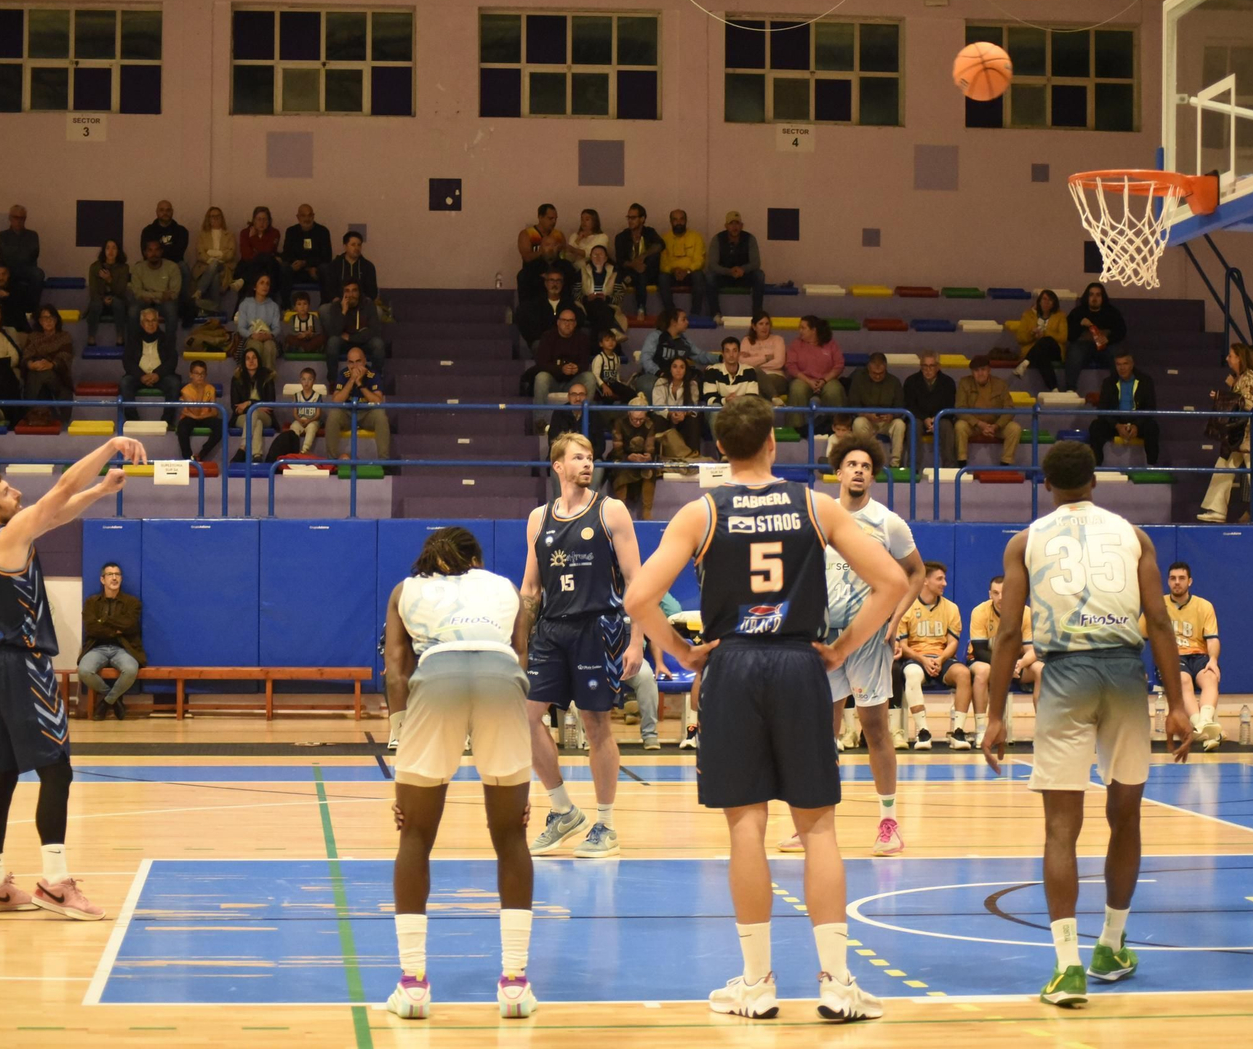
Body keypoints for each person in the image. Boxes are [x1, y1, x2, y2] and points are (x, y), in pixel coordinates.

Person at [624, 394, 905, 1021]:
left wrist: (684, 653)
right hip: (800, 664)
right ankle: (836, 983)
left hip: (734, 666)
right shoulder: (816, 504)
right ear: (774, 443)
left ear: (720, 451)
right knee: (819, 828)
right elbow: (892, 581)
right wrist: (842, 648)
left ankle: (758, 984)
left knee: (745, 826)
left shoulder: (701, 512)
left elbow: (640, 595)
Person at [980, 440, 1190, 1007]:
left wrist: (996, 714)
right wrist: (1177, 703)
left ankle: (1068, 966)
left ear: (1045, 484)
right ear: (1095, 480)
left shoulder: (1027, 541)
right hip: (1124, 673)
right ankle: (1112, 945)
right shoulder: (1133, 535)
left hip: (1065, 676)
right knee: (1125, 817)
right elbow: (1162, 624)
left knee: (1060, 829)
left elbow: (1005, 636)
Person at [0, 435, 149, 920]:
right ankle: (56, 883)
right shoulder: (8, 535)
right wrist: (109, 446)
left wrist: (102, 491)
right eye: (4, 492)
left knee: (1, 775)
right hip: (24, 666)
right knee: (56, 770)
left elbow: (58, 511)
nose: (15, 494)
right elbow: (60, 489)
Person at [382, 527, 539, 1020]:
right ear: (476, 559)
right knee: (512, 834)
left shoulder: (406, 590)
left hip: (438, 677)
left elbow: (394, 669)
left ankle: (412, 986)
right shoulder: (505, 587)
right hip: (500, 677)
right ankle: (514, 985)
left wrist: (401, 730)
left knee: (415, 834)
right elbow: (521, 655)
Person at [783, 436, 923, 857]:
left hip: (866, 638)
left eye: (866, 464)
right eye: (851, 464)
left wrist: (895, 619)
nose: (859, 470)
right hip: (822, 638)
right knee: (819, 732)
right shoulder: (817, 515)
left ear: (872, 474)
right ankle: (815, 823)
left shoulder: (888, 523)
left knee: (875, 728)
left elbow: (914, 573)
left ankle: (888, 823)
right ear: (838, 472)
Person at [520, 432, 646, 859]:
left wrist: (637, 641)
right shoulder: (538, 518)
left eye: (591, 457)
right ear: (558, 466)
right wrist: (519, 644)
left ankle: (606, 823)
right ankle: (562, 811)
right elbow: (531, 587)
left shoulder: (611, 511)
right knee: (525, 717)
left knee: (596, 727)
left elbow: (637, 582)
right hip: (551, 630)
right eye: (578, 457)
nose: (588, 464)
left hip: (598, 627)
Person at [893, 561, 971, 749]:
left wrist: (940, 659)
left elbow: (953, 643)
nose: (944, 583)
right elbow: (902, 645)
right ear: (925, 581)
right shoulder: (907, 606)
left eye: (944, 579)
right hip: (915, 658)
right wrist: (922, 659)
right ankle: (923, 732)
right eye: (940, 579)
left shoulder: (951, 608)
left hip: (941, 658)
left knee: (964, 674)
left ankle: (958, 732)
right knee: (911, 674)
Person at [1198, 343, 1253, 523]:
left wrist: (1222, 397)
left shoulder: (1248, 377)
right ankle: (1218, 509)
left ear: (1239, 358)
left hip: (1249, 434)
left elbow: (1247, 403)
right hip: (1240, 434)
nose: (1228, 358)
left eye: (1231, 355)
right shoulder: (1241, 377)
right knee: (1225, 466)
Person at [1153, 562, 1222, 749]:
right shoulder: (1158, 604)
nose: (1177, 582)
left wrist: (1213, 660)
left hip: (1198, 655)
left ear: (1189, 581)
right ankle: (1204, 728)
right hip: (1171, 658)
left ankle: (1204, 724)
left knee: (1210, 677)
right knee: (1182, 680)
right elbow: (1139, 632)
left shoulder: (1204, 606)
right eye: (1173, 578)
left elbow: (1213, 640)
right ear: (1168, 581)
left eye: (1181, 578)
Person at [968, 575, 1043, 744]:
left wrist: (1020, 664)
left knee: (1041, 669)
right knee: (982, 671)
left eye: (1005, 593)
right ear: (990, 594)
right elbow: (980, 651)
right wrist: (1005, 667)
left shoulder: (1025, 613)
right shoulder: (979, 612)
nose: (1001, 598)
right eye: (996, 593)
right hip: (987, 662)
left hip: (1016, 666)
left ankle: (1042, 730)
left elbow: (1032, 651)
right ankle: (981, 730)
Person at [79, 562, 145, 721]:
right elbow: (91, 628)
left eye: (117, 574)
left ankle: (106, 702)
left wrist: (104, 621)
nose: (114, 578)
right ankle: (114, 700)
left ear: (121, 579)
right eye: (110, 574)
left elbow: (130, 625)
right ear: (102, 579)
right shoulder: (92, 602)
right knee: (84, 671)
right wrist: (115, 627)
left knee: (130, 669)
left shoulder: (132, 602)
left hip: (123, 648)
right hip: (97, 647)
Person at [1087, 349, 1159, 467]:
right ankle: (1096, 465)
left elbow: (1150, 408)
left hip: (1138, 421)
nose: (1122, 368)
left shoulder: (1145, 381)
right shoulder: (1108, 382)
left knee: (1152, 427)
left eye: (1125, 364)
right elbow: (1102, 410)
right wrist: (1117, 425)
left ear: (1132, 364)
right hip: (1116, 422)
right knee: (1096, 426)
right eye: (1118, 364)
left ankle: (1152, 465)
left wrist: (1137, 425)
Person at [531, 307, 596, 431]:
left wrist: (577, 368)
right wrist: (561, 369)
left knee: (590, 377)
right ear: (558, 322)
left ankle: (585, 419)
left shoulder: (582, 338)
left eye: (571, 321)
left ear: (575, 323)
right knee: (541, 377)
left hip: (573, 381)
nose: (568, 324)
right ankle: (540, 422)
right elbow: (541, 363)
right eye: (565, 320)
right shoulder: (548, 336)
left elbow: (584, 363)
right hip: (553, 381)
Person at [954, 355, 1021, 469]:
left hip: (995, 425)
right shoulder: (964, 383)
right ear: (972, 372)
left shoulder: (1000, 384)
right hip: (973, 425)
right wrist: (979, 424)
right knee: (960, 426)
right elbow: (959, 408)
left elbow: (1009, 409)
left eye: (983, 370)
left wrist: (996, 426)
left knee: (1015, 428)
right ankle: (962, 464)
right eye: (976, 370)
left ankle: (1005, 464)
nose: (980, 373)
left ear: (989, 370)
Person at [325, 346, 391, 460]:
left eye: (358, 361)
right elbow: (336, 400)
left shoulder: (373, 375)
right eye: (351, 362)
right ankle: (331, 460)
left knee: (381, 416)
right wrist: (351, 381)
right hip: (347, 413)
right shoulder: (343, 374)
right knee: (333, 415)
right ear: (347, 363)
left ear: (364, 361)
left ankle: (384, 461)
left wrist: (360, 384)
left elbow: (378, 401)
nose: (354, 366)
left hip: (367, 413)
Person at [785, 315, 845, 434]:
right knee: (797, 389)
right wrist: (809, 381)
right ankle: (796, 429)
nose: (800, 331)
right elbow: (790, 366)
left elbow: (839, 364)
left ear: (814, 330)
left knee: (834, 390)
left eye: (803, 328)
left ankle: (838, 427)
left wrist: (824, 380)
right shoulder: (796, 344)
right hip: (804, 379)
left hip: (827, 379)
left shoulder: (830, 344)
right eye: (799, 328)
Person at [119, 307, 181, 422]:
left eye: (154, 321)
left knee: (174, 383)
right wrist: (141, 375)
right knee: (125, 382)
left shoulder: (166, 338)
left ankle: (167, 421)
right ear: (142, 323)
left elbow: (172, 360)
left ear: (158, 322)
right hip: (138, 376)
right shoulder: (133, 338)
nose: (151, 324)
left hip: (160, 376)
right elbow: (127, 361)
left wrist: (157, 374)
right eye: (147, 321)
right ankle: (133, 421)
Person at [847, 353, 907, 467]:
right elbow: (852, 405)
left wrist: (892, 416)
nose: (878, 376)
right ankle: (864, 461)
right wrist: (866, 414)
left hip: (888, 422)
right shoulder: (859, 381)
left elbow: (901, 406)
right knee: (858, 423)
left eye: (881, 373)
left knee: (900, 424)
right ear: (868, 368)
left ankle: (895, 464)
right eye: (874, 373)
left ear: (886, 368)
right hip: (867, 420)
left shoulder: (894, 382)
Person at [1064, 282, 1127, 391]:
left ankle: (1120, 389)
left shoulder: (1111, 312)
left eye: (1098, 295)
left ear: (1103, 297)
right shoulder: (1078, 312)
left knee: (1118, 353)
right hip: (1083, 345)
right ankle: (1070, 389)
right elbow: (1069, 335)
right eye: (1091, 294)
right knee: (1074, 352)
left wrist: (1108, 339)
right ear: (1086, 297)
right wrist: (1080, 325)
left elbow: (1122, 331)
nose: (1094, 298)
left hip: (1106, 346)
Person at [635, 308, 710, 399]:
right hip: (655, 374)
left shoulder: (684, 340)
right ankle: (654, 412)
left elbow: (700, 355)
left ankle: (689, 412)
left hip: (677, 375)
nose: (687, 322)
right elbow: (645, 359)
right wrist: (659, 372)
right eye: (683, 319)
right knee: (649, 385)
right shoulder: (655, 336)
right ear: (673, 322)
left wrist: (720, 358)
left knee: (699, 380)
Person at [705, 211, 765, 320]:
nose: (734, 227)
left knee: (759, 275)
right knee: (709, 276)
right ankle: (715, 313)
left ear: (742, 226)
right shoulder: (717, 239)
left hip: (744, 276)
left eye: (737, 223)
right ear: (726, 226)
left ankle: (757, 314)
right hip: (724, 276)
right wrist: (729, 271)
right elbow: (712, 265)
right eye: (731, 223)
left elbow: (756, 263)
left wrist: (743, 269)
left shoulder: (750, 238)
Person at [21, 304, 75, 426]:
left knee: (41, 373)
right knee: (36, 373)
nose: (48, 321)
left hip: (58, 376)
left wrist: (51, 364)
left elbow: (65, 357)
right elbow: (26, 357)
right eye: (44, 318)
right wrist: (31, 365)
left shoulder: (64, 336)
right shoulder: (33, 337)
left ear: (56, 320)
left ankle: (30, 412)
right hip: (36, 373)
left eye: (51, 318)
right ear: (39, 321)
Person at [608, 396, 661, 518]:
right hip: (622, 456)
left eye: (641, 419)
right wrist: (628, 457)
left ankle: (647, 513)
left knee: (650, 470)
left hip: (641, 457)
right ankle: (622, 512)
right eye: (635, 419)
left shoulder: (649, 424)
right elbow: (617, 448)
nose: (638, 422)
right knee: (621, 469)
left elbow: (650, 447)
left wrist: (647, 456)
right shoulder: (619, 423)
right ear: (629, 414)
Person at [903, 349, 957, 467]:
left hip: (941, 417)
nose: (928, 370)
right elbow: (909, 405)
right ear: (920, 366)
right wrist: (925, 418)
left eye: (931, 366)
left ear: (938, 367)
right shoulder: (911, 381)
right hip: (918, 417)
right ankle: (913, 467)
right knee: (914, 424)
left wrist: (935, 419)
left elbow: (950, 406)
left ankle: (950, 466)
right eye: (924, 366)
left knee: (946, 425)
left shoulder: (948, 382)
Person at [322, 280, 384, 380]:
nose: (351, 294)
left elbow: (374, 331)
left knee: (378, 344)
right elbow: (335, 332)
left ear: (359, 293)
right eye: (347, 291)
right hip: (345, 343)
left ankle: (375, 380)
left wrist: (350, 337)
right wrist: (343, 311)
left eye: (354, 290)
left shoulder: (368, 305)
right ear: (343, 293)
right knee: (332, 342)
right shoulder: (336, 306)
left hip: (363, 342)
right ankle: (333, 381)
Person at [140, 199, 191, 318]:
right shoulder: (148, 231)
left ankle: (183, 305)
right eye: (162, 210)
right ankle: (151, 303)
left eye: (168, 210)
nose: (165, 213)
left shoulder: (181, 231)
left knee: (183, 267)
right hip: (153, 266)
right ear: (156, 212)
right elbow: (146, 253)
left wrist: (159, 254)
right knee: (139, 267)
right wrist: (159, 257)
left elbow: (178, 253)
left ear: (172, 212)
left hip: (174, 266)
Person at [0, 205, 44, 321]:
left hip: (26, 268)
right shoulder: (2, 235)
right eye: (16, 217)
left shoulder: (32, 235)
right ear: (10, 218)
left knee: (38, 274)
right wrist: (19, 253)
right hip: (7, 269)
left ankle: (32, 309)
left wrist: (12, 252)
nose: (19, 220)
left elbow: (32, 254)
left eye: (22, 218)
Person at [613, 202, 664, 318]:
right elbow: (620, 260)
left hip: (647, 271)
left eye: (633, 218)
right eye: (628, 217)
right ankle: (639, 308)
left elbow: (661, 245)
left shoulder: (649, 232)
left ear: (642, 219)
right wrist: (634, 265)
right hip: (630, 270)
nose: (630, 220)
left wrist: (643, 256)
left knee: (652, 258)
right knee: (634, 273)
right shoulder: (621, 236)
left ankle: (641, 307)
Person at [1011, 289, 1068, 390]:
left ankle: (1026, 362)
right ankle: (1054, 389)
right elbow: (1020, 338)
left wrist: (1045, 333)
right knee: (1042, 356)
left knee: (1047, 340)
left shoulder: (1060, 316)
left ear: (1054, 303)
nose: (1046, 302)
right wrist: (1032, 334)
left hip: (1054, 351)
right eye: (1044, 299)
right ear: (1039, 301)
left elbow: (1063, 337)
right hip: (1037, 352)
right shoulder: (1028, 315)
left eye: (1050, 300)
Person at [514, 270, 582, 351]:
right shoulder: (535, 305)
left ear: (562, 284)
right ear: (545, 283)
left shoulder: (569, 304)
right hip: (543, 342)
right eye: (551, 280)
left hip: (565, 341)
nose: (555, 284)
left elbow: (579, 320)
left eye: (558, 281)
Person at [128, 238, 182, 338]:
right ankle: (134, 346)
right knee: (133, 310)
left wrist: (148, 294)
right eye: (150, 250)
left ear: (161, 252)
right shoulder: (138, 268)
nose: (154, 253)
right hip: (144, 302)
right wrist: (161, 294)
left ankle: (169, 347)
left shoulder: (172, 267)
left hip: (165, 303)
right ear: (145, 253)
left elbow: (174, 293)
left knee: (171, 309)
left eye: (157, 250)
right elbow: (137, 293)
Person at [230, 346, 277, 461]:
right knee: (257, 422)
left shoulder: (267, 377)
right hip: (242, 417)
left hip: (266, 416)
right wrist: (256, 406)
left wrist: (249, 403)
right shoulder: (237, 379)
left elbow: (270, 404)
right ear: (243, 362)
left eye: (254, 358)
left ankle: (243, 447)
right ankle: (257, 455)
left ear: (259, 360)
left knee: (253, 412)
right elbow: (235, 406)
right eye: (247, 358)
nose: (251, 361)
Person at [651, 355, 704, 454]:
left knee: (693, 420)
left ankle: (693, 457)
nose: (678, 370)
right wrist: (671, 414)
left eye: (682, 367)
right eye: (675, 366)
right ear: (670, 369)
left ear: (686, 370)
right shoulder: (661, 382)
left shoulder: (692, 385)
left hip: (684, 419)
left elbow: (693, 407)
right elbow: (657, 406)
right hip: (666, 418)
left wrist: (683, 414)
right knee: (658, 419)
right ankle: (658, 459)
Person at [516, 204, 570, 301]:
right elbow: (526, 257)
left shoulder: (558, 235)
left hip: (555, 269)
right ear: (540, 217)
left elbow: (563, 255)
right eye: (550, 218)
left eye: (555, 219)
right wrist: (543, 251)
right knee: (523, 276)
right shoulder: (527, 234)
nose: (554, 222)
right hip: (534, 271)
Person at [657, 209, 706, 315]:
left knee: (699, 275)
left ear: (686, 221)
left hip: (690, 274)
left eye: (681, 219)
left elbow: (700, 261)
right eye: (675, 220)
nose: (679, 222)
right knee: (662, 277)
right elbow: (662, 263)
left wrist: (687, 271)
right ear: (670, 222)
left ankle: (695, 314)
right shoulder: (664, 239)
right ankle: (671, 314)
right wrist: (674, 270)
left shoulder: (696, 237)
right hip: (672, 274)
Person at [191, 206, 238, 312]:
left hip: (224, 266)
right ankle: (216, 307)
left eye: (218, 216)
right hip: (205, 267)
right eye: (212, 216)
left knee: (216, 264)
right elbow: (200, 253)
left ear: (222, 218)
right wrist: (218, 255)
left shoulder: (229, 235)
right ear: (208, 219)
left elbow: (231, 253)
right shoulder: (202, 235)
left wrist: (211, 253)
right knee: (215, 274)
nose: (215, 218)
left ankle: (199, 291)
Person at [175, 360, 223, 461]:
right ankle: (188, 457)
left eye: (202, 374)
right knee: (182, 427)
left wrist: (200, 417)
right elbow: (195, 411)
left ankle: (202, 454)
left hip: (205, 417)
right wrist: (201, 391)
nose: (200, 376)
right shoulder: (186, 390)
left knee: (221, 425)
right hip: (190, 418)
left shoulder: (210, 388)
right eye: (197, 373)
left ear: (206, 375)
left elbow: (215, 412)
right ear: (191, 375)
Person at [84, 240, 130, 347]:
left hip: (117, 298)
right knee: (95, 304)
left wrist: (109, 280)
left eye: (114, 248)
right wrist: (103, 299)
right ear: (103, 251)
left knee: (118, 303)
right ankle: (91, 337)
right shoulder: (95, 267)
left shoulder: (124, 268)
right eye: (108, 248)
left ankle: (120, 336)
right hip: (99, 299)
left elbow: (121, 291)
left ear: (118, 251)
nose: (110, 251)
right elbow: (93, 290)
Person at [281, 203, 332, 297]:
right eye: (303, 216)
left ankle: (325, 304)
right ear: (298, 217)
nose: (307, 219)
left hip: (315, 271)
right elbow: (286, 254)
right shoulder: (291, 231)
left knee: (325, 268)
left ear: (313, 216)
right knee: (284, 268)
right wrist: (296, 264)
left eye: (309, 215)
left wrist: (307, 263)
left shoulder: (323, 232)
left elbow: (327, 257)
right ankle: (285, 305)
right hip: (297, 271)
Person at [235, 273, 282, 371]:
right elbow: (241, 328)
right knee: (256, 346)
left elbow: (276, 328)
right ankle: (254, 380)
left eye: (267, 284)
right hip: (251, 337)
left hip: (268, 337)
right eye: (262, 283)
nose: (265, 286)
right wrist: (252, 335)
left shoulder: (273, 306)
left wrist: (269, 335)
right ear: (255, 286)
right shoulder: (245, 304)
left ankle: (268, 380)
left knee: (269, 347)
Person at [235, 205, 282, 301]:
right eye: (259, 219)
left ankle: (243, 280)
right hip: (249, 265)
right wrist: (259, 254)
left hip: (268, 267)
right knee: (258, 262)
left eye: (265, 219)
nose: (262, 223)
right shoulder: (245, 233)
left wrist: (253, 239)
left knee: (265, 259)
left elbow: (267, 251)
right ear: (253, 220)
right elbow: (246, 255)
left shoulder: (274, 233)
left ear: (269, 221)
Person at [320, 230, 380, 305]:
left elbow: (372, 292)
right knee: (323, 310)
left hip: (362, 305)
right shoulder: (334, 265)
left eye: (359, 245)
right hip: (338, 303)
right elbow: (329, 289)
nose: (356, 248)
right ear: (345, 246)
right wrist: (337, 301)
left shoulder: (368, 266)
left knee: (378, 312)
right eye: (353, 245)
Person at [737, 312, 787, 401]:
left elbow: (779, 363)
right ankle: (774, 398)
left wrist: (753, 361)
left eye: (767, 324)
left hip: (776, 377)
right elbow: (742, 362)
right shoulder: (746, 341)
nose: (764, 327)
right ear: (754, 326)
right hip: (753, 379)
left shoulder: (778, 340)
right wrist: (766, 358)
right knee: (755, 387)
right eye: (761, 324)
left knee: (754, 384)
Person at [577, 243, 623, 335]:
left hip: (608, 306)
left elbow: (619, 296)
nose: (597, 257)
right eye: (594, 254)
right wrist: (587, 298)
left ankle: (598, 341)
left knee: (599, 306)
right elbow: (575, 293)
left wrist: (607, 299)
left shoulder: (614, 273)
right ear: (590, 257)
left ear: (606, 258)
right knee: (597, 304)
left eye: (601, 254)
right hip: (586, 306)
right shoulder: (582, 272)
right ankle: (612, 332)